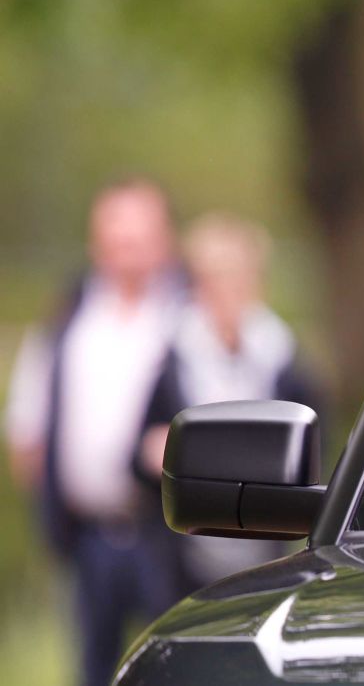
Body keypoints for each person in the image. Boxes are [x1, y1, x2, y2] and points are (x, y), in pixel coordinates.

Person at [3, 178, 185, 686]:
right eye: (115, 239)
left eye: (138, 239)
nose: (126, 253)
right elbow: (28, 426)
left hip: (168, 533)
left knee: (177, 665)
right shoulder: (69, 319)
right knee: (92, 668)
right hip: (89, 538)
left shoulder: (186, 317)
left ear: (164, 241)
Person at [134, 212, 320, 594]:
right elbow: (138, 452)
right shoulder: (173, 358)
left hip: (265, 553)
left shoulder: (283, 359)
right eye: (214, 280)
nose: (226, 293)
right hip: (185, 557)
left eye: (237, 277)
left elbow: (315, 452)